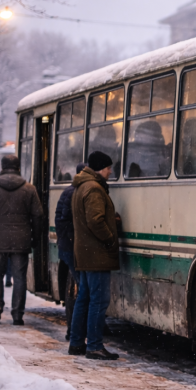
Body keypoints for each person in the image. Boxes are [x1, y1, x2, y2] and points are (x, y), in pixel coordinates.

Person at [0, 155, 43, 325]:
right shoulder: (29, 188)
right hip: (21, 238)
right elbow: (37, 215)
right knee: (19, 276)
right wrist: (35, 237)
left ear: (2, 166)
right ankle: (17, 313)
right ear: (18, 167)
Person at [69, 151, 120, 360]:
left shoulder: (82, 186)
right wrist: (109, 238)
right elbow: (95, 220)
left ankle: (77, 343)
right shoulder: (94, 189)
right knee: (98, 301)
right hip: (96, 253)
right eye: (108, 168)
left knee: (84, 298)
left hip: (85, 252)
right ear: (101, 168)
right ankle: (95, 346)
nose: (110, 172)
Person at [56, 162, 87, 341]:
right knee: (81, 291)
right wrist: (74, 241)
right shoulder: (73, 192)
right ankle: (74, 332)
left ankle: (74, 332)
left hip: (68, 247)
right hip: (72, 248)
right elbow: (66, 221)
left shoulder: (70, 191)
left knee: (79, 290)